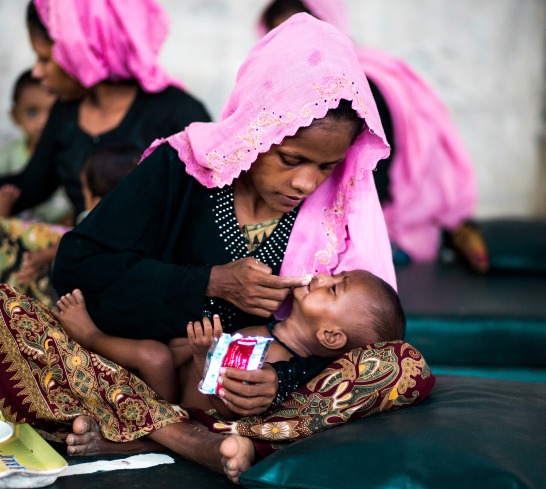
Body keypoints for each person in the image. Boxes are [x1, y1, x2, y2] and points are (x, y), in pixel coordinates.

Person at [1, 14, 402, 483]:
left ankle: (158, 429)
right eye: (291, 159)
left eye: (327, 166)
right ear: (257, 127)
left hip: (261, 405)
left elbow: (370, 339)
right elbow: (77, 267)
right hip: (128, 371)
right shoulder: (182, 168)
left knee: (400, 366)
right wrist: (210, 281)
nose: (305, 183)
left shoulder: (340, 207)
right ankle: (185, 437)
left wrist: (281, 380)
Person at [258, 0, 489, 273]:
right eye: (278, 36)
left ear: (328, 26)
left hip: (388, 216)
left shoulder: (357, 88)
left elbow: (370, 182)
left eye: (302, 31)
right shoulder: (288, 88)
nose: (291, 46)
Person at [52, 270, 406, 418]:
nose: (322, 275)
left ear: (330, 336)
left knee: (154, 355)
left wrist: (202, 356)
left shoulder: (274, 359)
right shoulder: (272, 331)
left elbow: (218, 408)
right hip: (179, 376)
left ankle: (90, 336)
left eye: (333, 288)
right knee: (169, 345)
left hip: (180, 410)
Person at [0, 0, 211, 221]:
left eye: (44, 59)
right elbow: (31, 185)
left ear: (81, 52)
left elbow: (203, 212)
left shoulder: (181, 116)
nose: (36, 72)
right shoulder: (65, 111)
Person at [10, 143, 141, 292]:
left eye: (84, 190)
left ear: (97, 203)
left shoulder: (92, 226)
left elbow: (72, 243)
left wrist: (44, 255)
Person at [0, 69, 72, 224]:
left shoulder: (68, 154)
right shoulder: (6, 155)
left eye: (52, 113)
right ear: (15, 115)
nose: (43, 122)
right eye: (32, 113)